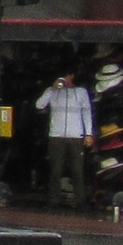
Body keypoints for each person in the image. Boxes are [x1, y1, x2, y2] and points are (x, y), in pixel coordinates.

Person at [37, 72, 95, 210]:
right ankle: (53, 201)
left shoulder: (81, 92)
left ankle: (80, 201)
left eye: (67, 77)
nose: (64, 80)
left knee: (77, 171)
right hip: (56, 136)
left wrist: (88, 133)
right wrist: (52, 89)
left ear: (72, 77)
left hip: (76, 136)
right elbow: (39, 105)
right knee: (55, 170)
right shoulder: (52, 91)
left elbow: (86, 112)